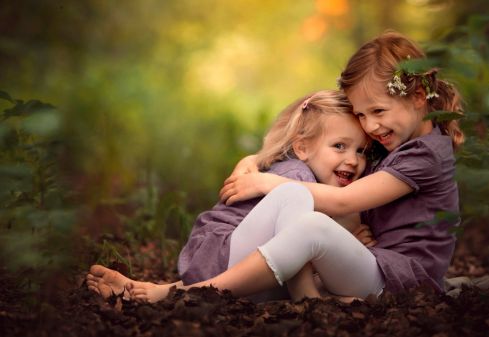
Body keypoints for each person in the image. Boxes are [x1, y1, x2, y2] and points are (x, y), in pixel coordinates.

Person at [219, 30, 465, 295]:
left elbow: (344, 200)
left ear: (417, 96)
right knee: (305, 221)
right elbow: (318, 155)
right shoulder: (392, 141)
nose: (370, 125)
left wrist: (267, 182)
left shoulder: (426, 155)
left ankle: (205, 290)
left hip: (402, 279)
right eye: (361, 114)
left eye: (378, 111)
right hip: (375, 264)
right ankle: (199, 288)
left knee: (312, 227)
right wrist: (255, 159)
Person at [86, 89, 375, 303]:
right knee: (294, 196)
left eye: (361, 151)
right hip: (221, 253)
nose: (352, 160)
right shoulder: (295, 175)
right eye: (339, 146)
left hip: (238, 265)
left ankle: (138, 292)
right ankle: (306, 299)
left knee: (341, 291)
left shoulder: (301, 176)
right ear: (302, 148)